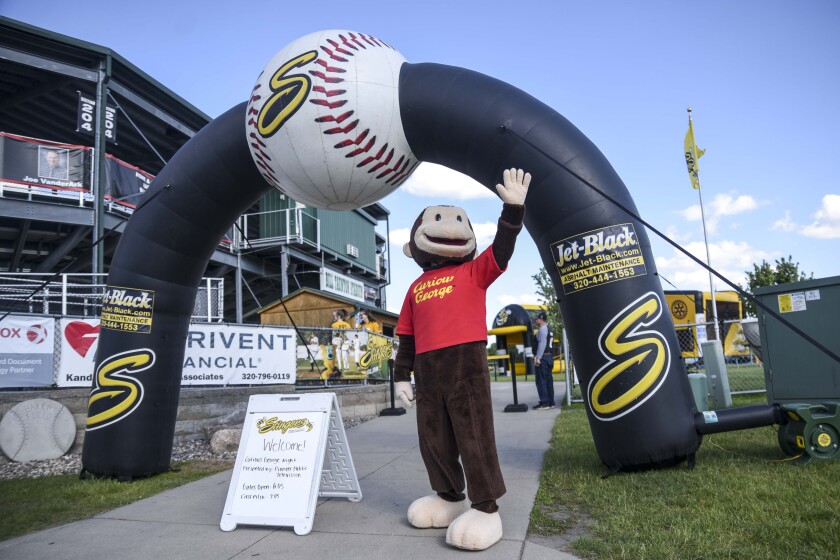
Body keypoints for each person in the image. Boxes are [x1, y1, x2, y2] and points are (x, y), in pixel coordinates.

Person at [532, 311, 555, 410]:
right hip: (549, 357)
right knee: (548, 380)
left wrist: (538, 358)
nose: (535, 321)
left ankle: (545, 403)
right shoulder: (549, 329)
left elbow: (542, 344)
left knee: (541, 381)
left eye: (536, 319)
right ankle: (551, 402)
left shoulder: (542, 330)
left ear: (541, 319)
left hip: (543, 357)